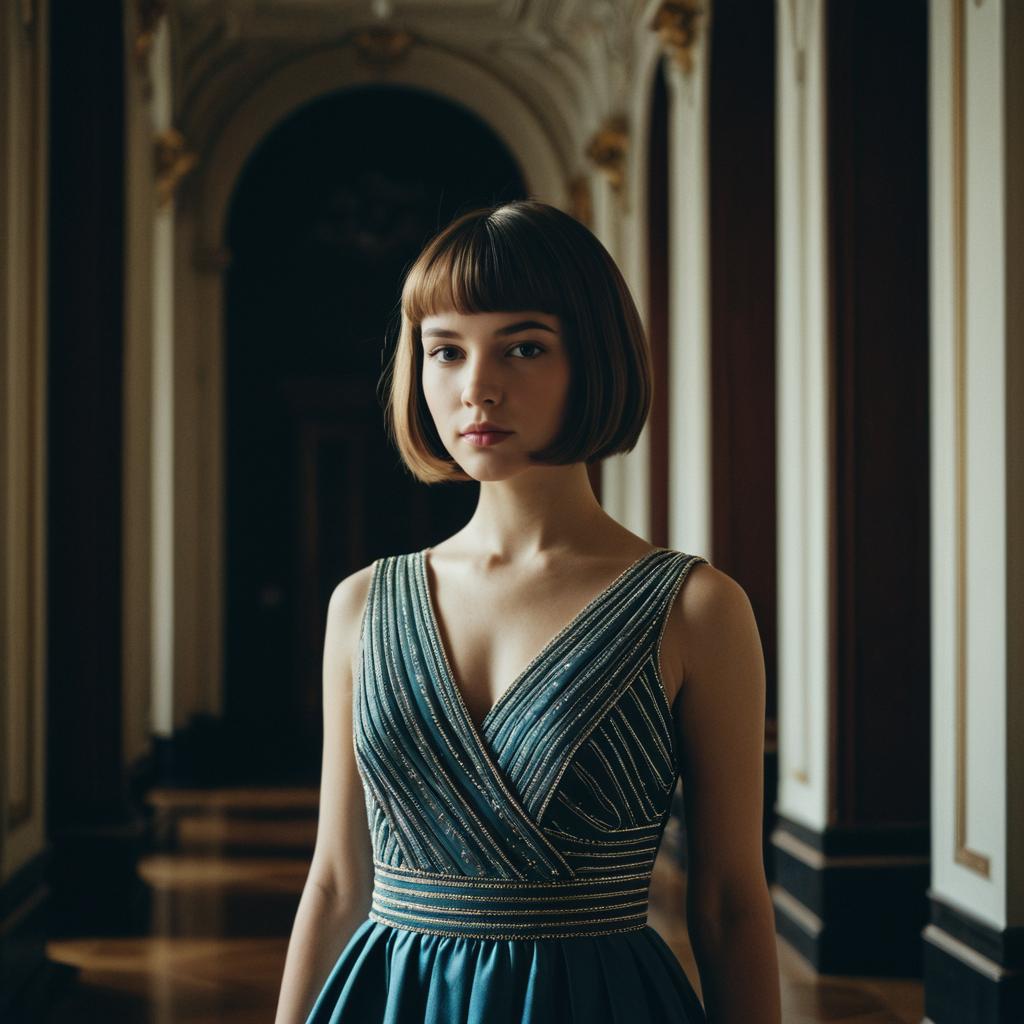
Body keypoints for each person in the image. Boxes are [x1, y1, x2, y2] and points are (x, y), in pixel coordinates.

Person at [274, 199, 781, 1024]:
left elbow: (728, 902)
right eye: (445, 350)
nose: (477, 387)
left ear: (595, 360)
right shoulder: (362, 604)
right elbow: (336, 880)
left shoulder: (695, 608)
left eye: (523, 346)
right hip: (392, 999)